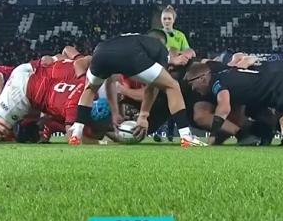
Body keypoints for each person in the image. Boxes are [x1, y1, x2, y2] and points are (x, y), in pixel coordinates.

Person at [69, 31, 206, 147]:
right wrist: (143, 116)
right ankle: (186, 136)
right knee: (172, 86)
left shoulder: (128, 38)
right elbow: (152, 86)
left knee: (90, 89)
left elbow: (110, 81)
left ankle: (76, 133)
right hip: (131, 55)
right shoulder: (159, 47)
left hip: (100, 51)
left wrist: (115, 111)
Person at [156, 6, 195, 142]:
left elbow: (189, 51)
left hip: (177, 72)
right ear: (161, 20)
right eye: (164, 19)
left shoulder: (180, 36)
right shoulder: (157, 34)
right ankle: (158, 131)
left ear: (173, 20)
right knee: (161, 101)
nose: (167, 21)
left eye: (169, 19)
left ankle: (171, 133)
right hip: (161, 70)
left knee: (174, 100)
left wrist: (184, 54)